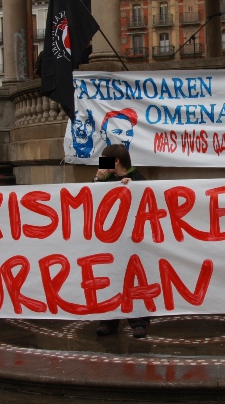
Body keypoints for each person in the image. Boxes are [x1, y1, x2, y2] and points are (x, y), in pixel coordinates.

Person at [93, 144, 150, 338]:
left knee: (135, 279)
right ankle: (109, 319)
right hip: (110, 241)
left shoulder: (137, 178)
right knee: (111, 278)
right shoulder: (104, 179)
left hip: (132, 239)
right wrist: (97, 179)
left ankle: (138, 322)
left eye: (105, 159)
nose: (101, 163)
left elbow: (148, 200)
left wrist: (133, 188)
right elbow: (89, 201)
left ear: (116, 161)